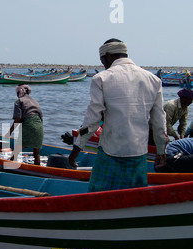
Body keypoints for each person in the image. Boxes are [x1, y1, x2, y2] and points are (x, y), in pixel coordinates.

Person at [68, 38, 167, 192]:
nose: (103, 66)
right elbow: (159, 122)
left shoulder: (101, 78)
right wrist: (161, 150)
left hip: (110, 151)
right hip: (139, 152)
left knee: (99, 197)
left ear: (108, 56)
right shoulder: (153, 80)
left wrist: (76, 149)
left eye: (102, 61)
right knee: (134, 198)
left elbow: (92, 122)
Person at [4, 84, 44, 165]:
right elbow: (40, 117)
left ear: (19, 92)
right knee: (36, 153)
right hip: (39, 126)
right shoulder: (35, 102)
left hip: (29, 124)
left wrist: (9, 132)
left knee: (17, 150)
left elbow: (17, 119)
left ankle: (9, 165)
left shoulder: (19, 101)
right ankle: (37, 170)